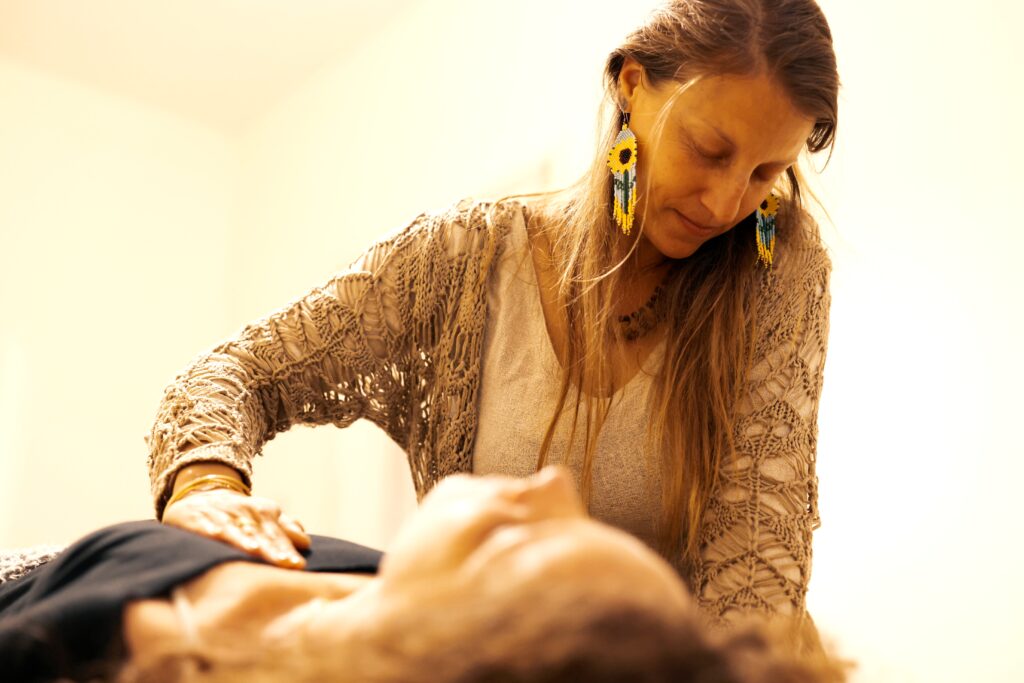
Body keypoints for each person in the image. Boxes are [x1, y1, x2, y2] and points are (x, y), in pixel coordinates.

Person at [145, 0, 839, 648]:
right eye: (709, 149)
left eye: (764, 173)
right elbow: (232, 372)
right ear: (632, 86)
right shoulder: (456, 261)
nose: (725, 203)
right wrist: (206, 487)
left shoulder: (775, 267)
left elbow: (757, 569)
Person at [0, 467, 846, 683]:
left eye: (523, 536)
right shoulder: (371, 580)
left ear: (441, 651)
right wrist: (206, 480)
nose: (556, 480)